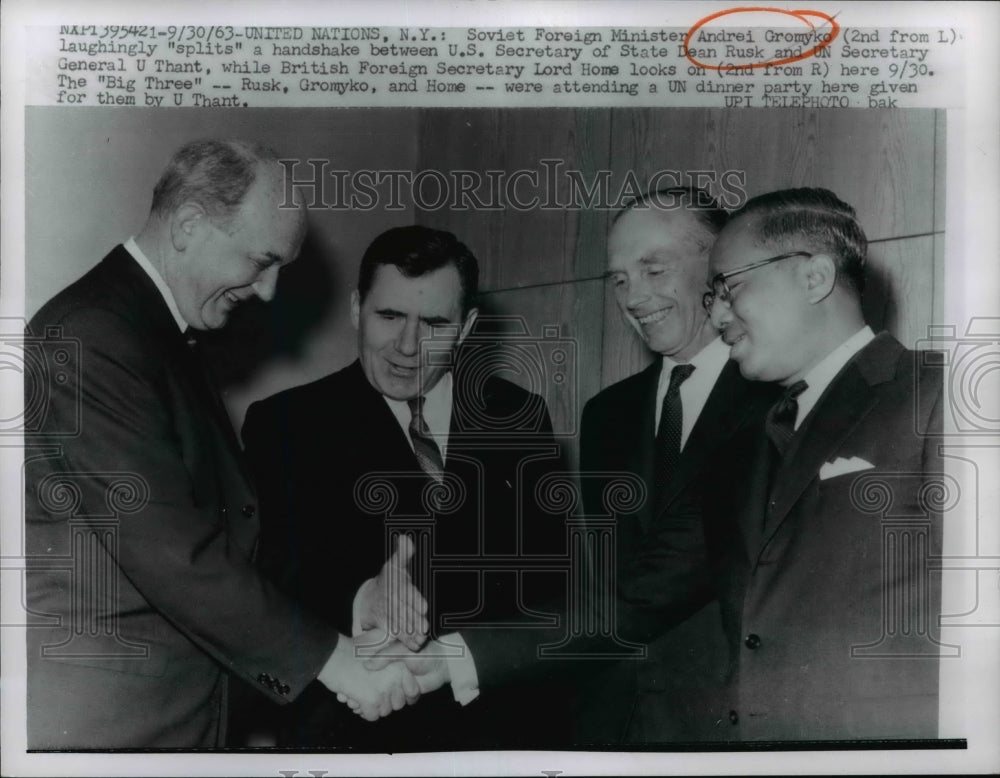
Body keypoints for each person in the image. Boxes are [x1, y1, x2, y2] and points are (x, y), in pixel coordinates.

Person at [24, 140, 418, 749]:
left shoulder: (156, 331)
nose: (267, 292)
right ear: (189, 224)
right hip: (113, 727)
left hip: (166, 716)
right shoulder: (93, 335)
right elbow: (174, 552)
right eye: (262, 261)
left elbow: (231, 529)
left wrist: (354, 598)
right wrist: (335, 661)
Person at [365, 189, 777, 745]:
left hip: (736, 725)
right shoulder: (608, 413)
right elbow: (597, 581)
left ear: (719, 265)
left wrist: (463, 655)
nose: (633, 297)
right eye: (619, 279)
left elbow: (661, 579)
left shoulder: (775, 401)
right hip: (612, 722)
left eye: (654, 269)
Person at [240, 225, 566, 750]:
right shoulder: (284, 422)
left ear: (466, 328)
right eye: (389, 316)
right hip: (351, 735)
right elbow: (265, 572)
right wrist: (361, 596)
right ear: (356, 309)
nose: (408, 347)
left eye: (434, 323)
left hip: (495, 733)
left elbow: (553, 579)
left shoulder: (519, 416)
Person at [702, 187, 943, 739]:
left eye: (728, 286)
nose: (716, 315)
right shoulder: (741, 447)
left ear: (815, 277)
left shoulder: (936, 392)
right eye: (709, 296)